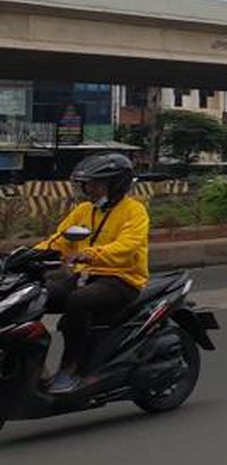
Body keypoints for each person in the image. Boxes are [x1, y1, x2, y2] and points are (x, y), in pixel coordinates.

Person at [36, 152, 148, 393]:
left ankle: (70, 370)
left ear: (116, 184)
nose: (89, 190)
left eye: (95, 184)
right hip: (86, 276)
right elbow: (58, 241)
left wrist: (91, 254)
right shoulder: (84, 210)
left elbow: (128, 245)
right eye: (87, 184)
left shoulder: (134, 211)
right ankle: (34, 366)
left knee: (78, 301)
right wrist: (26, 255)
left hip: (121, 279)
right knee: (36, 297)